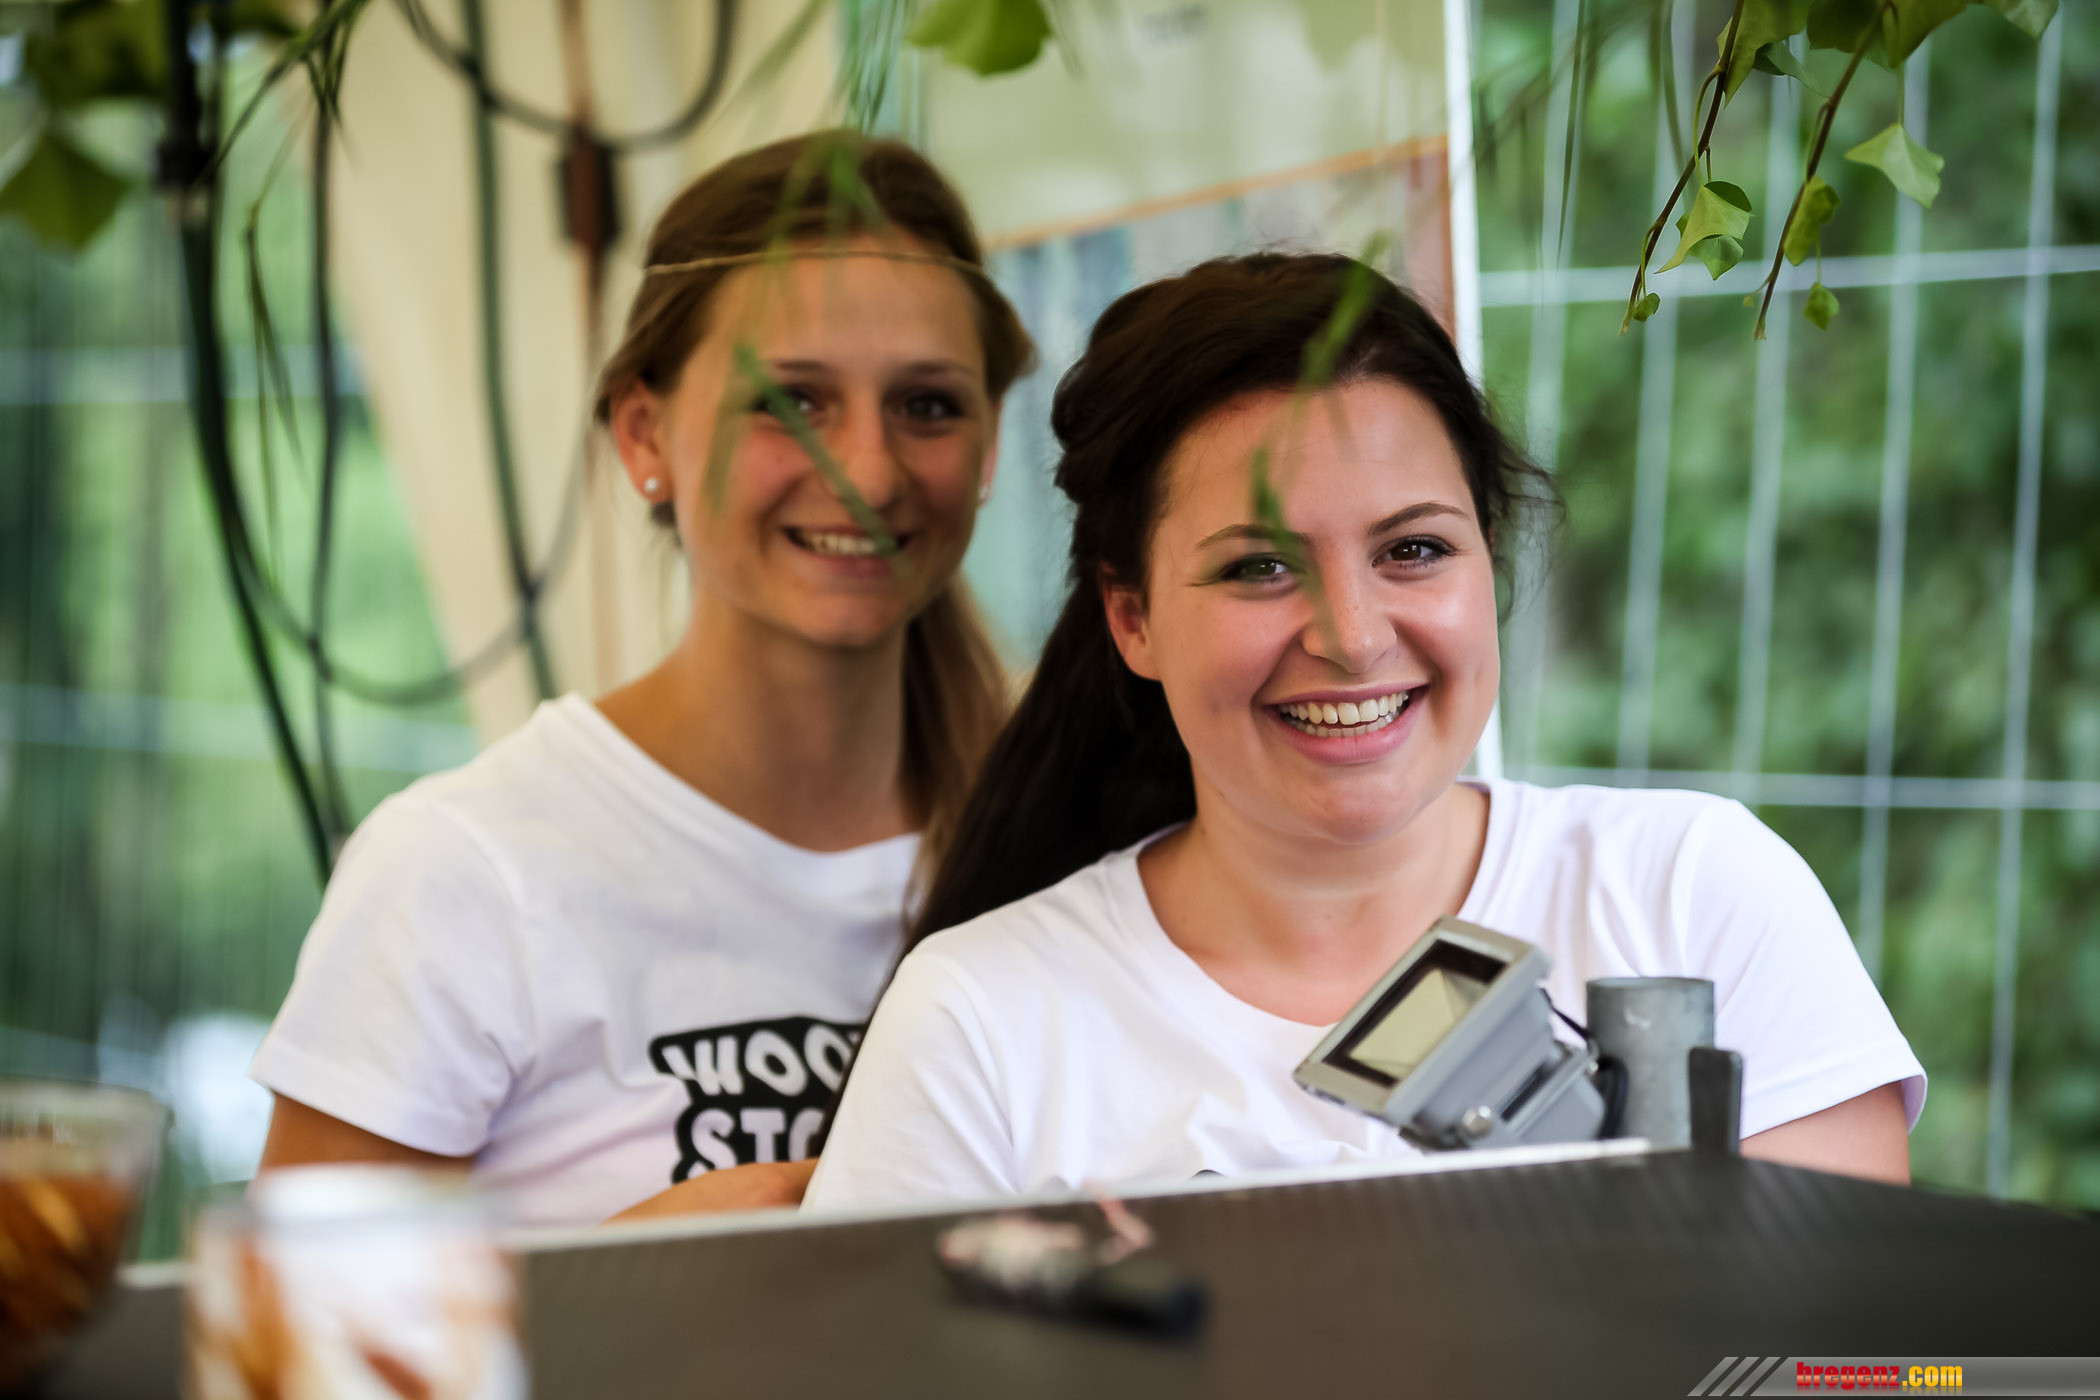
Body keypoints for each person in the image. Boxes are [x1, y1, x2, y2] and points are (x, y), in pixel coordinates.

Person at [804, 253, 1923, 1210]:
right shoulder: (977, 1020)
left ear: (1489, 561)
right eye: (1259, 567)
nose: (1351, 637)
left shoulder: (1695, 896)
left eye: (1414, 550)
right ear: (1132, 617)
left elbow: (1857, 1357)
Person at [250, 132, 1032, 1227]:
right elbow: (304, 1321)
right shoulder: (463, 870)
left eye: (929, 405)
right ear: (644, 433)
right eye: (793, 401)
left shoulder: (1067, 843)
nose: (867, 470)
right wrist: (629, 1272)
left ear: (990, 446)